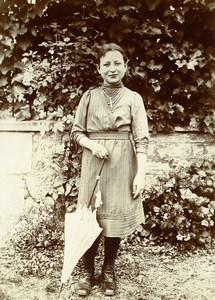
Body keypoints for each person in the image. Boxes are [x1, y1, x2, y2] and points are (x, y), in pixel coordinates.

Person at [71, 43, 149, 297]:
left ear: (126, 67)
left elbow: (142, 139)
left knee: (113, 218)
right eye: (107, 64)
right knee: (90, 217)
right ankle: (86, 272)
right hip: (93, 163)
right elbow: (76, 132)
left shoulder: (134, 99)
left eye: (117, 63)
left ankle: (108, 271)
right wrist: (92, 145)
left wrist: (141, 173)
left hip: (122, 165)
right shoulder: (89, 97)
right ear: (99, 69)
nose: (112, 68)